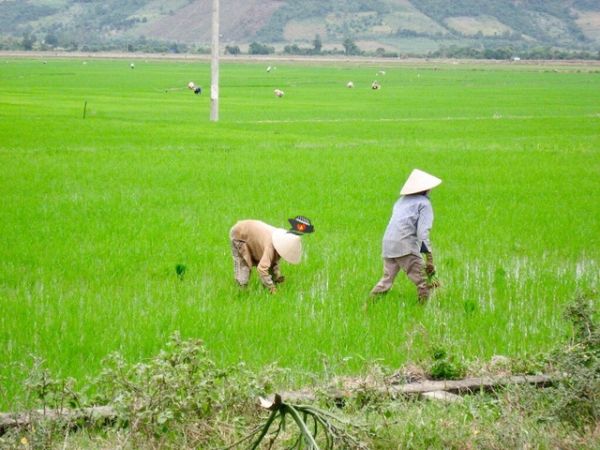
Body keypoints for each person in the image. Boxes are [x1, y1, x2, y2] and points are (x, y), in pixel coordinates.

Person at [370, 169, 442, 303]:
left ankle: (367, 306)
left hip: (388, 243)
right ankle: (423, 311)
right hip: (405, 245)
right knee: (424, 281)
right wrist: (429, 258)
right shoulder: (424, 204)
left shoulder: (401, 201)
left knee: (386, 281)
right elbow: (423, 234)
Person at [229, 217, 313, 293]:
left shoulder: (280, 240)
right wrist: (271, 287)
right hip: (239, 234)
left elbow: (273, 261)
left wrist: (276, 276)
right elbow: (262, 269)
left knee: (269, 262)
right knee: (244, 266)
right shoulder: (271, 245)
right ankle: (240, 291)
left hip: (251, 232)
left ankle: (271, 282)